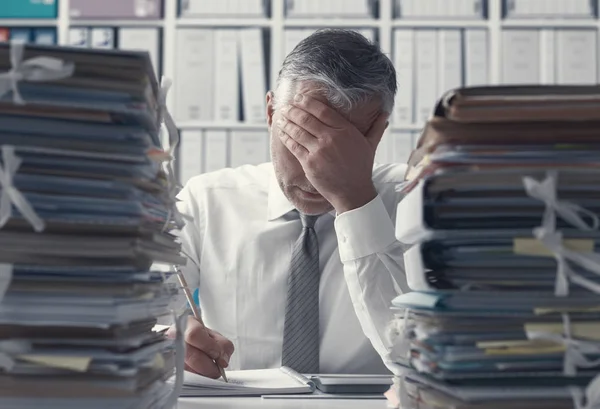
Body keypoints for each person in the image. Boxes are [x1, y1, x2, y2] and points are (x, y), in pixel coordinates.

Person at [168, 28, 409, 378]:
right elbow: (141, 317)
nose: (316, 171)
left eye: (343, 147)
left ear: (379, 131)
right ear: (270, 112)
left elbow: (413, 358)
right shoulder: (206, 200)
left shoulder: (414, 202)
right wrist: (173, 336)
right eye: (302, 136)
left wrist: (354, 200)